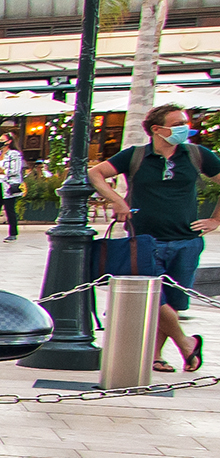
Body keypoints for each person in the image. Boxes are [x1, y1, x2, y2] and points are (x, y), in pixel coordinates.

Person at [87, 102, 217, 372]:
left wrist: (216, 219)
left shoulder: (196, 154)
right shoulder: (135, 156)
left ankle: (155, 356)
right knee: (156, 298)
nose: (185, 128)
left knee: (174, 301)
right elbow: (94, 173)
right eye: (178, 123)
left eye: (185, 122)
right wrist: (117, 201)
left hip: (187, 240)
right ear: (157, 129)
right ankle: (186, 344)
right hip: (144, 241)